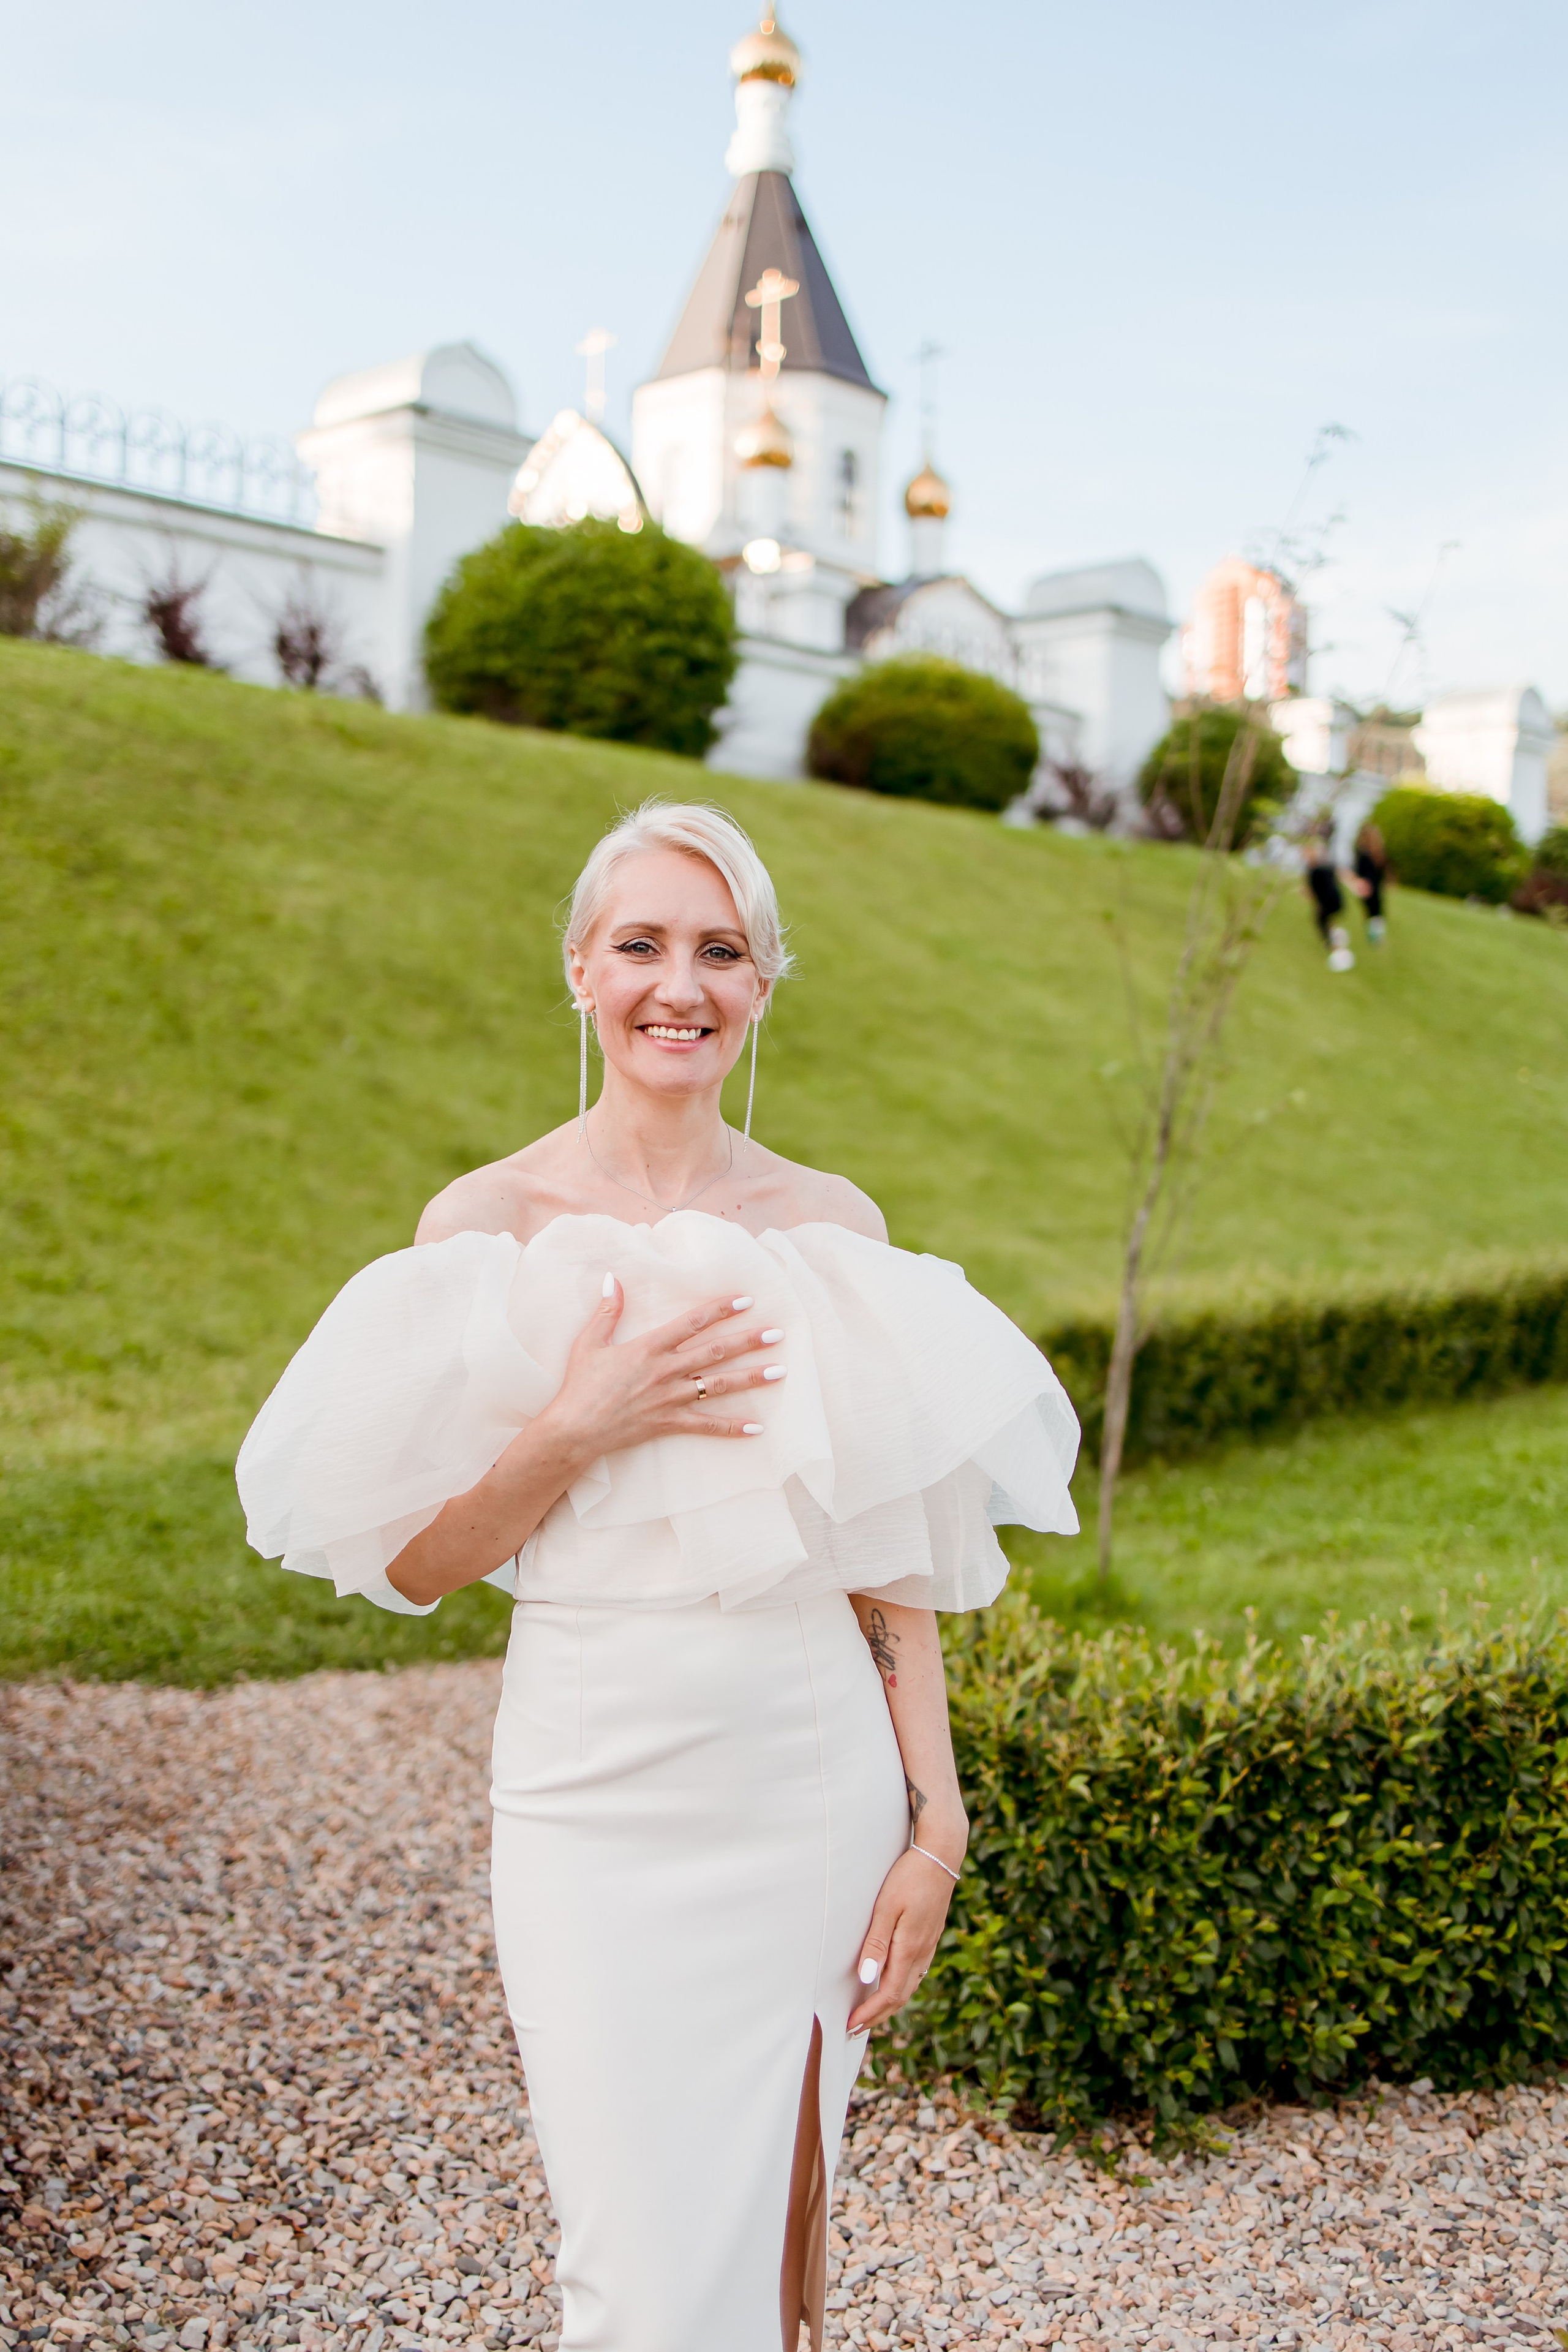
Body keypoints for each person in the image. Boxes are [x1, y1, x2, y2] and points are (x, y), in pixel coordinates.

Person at [236, 801, 1080, 2352]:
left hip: (800, 1772)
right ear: (578, 968)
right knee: (622, 2254)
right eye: (640, 943)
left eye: (720, 949)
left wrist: (934, 1817)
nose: (676, 983)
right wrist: (576, 1424)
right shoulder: (483, 1229)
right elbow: (421, 1565)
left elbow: (881, 1558)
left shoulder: (830, 1231)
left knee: (776, 2233)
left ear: (763, 984)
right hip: (586, 1779)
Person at [1303, 829, 1355, 971]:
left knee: (1322, 922)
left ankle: (1336, 949)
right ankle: (1336, 942)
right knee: (1326, 922)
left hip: (1329, 901)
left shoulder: (1315, 870)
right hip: (1337, 901)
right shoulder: (1324, 866)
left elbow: (1313, 892)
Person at [1351, 819, 1389, 944]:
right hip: (1372, 887)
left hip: (1369, 886)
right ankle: (1377, 939)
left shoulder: (1366, 853)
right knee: (1375, 913)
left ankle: (1376, 939)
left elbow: (1360, 871)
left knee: (1372, 914)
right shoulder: (1374, 853)